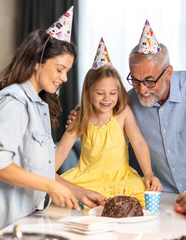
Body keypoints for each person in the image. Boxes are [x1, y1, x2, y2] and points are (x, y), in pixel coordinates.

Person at [0, 7, 105, 234]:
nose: (65, 78)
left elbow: (39, 170)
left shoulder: (38, 106)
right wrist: (50, 187)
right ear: (37, 61)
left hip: (22, 221)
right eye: (60, 69)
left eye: (67, 71)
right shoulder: (13, 103)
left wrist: (78, 192)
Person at [68, 20, 186, 205]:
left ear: (168, 73)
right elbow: (101, 114)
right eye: (134, 80)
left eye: (150, 80)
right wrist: (80, 115)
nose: (141, 90)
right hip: (162, 196)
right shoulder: (129, 102)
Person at [56, 38, 161, 207]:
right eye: (100, 93)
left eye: (113, 93)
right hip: (88, 179)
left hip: (119, 178)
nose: (107, 98)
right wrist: (48, 176)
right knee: (65, 191)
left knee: (144, 190)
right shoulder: (81, 116)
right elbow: (61, 151)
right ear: (88, 92)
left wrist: (148, 173)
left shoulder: (123, 113)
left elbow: (139, 143)